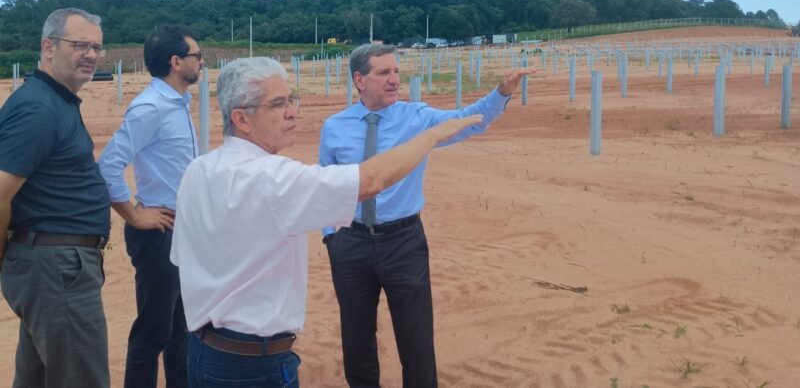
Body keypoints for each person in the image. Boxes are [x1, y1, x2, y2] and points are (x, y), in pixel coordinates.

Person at [169, 57, 481, 388]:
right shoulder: (273, 179)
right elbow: (370, 180)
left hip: (202, 352)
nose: (292, 111)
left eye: (291, 100)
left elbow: (182, 258)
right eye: (278, 104)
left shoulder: (197, 170)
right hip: (254, 365)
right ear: (241, 119)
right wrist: (430, 136)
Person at [318, 43, 536, 387]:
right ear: (360, 80)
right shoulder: (334, 127)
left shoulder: (417, 118)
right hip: (351, 244)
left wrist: (501, 92)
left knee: (416, 337)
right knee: (356, 336)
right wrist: (331, 236)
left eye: (396, 72)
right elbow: (326, 184)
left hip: (403, 243)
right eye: (384, 72)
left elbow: (469, 121)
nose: (394, 80)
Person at [0, 8, 111, 388]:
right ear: (48, 46)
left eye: (97, 47)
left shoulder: (55, 101)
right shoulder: (38, 108)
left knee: (38, 377)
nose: (92, 55)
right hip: (55, 267)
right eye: (80, 44)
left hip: (53, 266)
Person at [98, 24, 203, 388]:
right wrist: (134, 215)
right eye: (197, 55)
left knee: (181, 330)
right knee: (153, 332)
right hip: (159, 231)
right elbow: (109, 165)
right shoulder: (150, 108)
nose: (201, 62)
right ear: (177, 61)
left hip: (181, 229)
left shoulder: (178, 103)